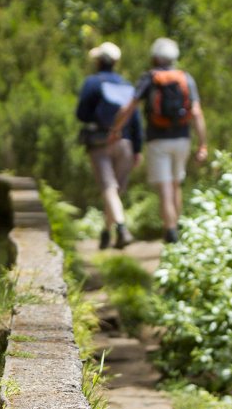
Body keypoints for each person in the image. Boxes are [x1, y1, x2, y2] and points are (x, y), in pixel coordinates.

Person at [110, 36, 207, 243]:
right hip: (183, 139)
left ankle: (170, 230)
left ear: (155, 58)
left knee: (164, 189)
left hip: (158, 140)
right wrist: (202, 144)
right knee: (176, 185)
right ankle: (177, 226)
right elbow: (197, 112)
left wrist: (116, 129)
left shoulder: (150, 78)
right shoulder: (186, 78)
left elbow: (130, 107)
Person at [76, 41, 142, 249]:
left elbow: (81, 114)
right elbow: (136, 119)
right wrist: (138, 149)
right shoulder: (126, 85)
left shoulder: (92, 83)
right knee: (115, 190)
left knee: (108, 188)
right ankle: (106, 232)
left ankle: (121, 228)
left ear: (97, 61)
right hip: (126, 142)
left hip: (100, 141)